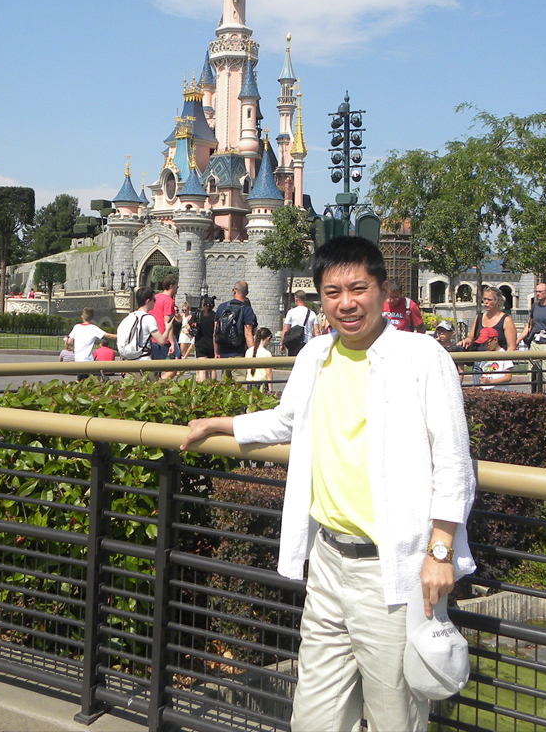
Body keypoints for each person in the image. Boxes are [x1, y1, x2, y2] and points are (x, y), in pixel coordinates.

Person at [181, 236, 475, 732]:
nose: (346, 303)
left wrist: (440, 552)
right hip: (327, 562)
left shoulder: (422, 357)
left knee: (394, 718)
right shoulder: (316, 354)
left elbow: (453, 462)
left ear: (383, 289)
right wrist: (218, 424)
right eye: (333, 293)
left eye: (358, 289)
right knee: (314, 717)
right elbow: (286, 420)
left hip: (390, 572)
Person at [214, 281, 257, 379]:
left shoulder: (222, 307)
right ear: (246, 293)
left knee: (225, 385)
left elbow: (215, 332)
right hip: (239, 354)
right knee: (240, 385)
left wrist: (216, 352)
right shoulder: (246, 310)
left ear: (234, 291)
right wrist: (253, 353)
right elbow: (248, 334)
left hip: (224, 353)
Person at [116, 288, 165, 367]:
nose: (154, 302)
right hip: (144, 362)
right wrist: (168, 328)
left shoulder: (128, 318)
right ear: (148, 301)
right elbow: (161, 341)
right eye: (154, 300)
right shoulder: (149, 318)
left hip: (128, 363)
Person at [463, 287, 517, 353]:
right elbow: (470, 338)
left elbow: (511, 347)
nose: (486, 302)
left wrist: (504, 358)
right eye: (484, 299)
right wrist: (465, 341)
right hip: (479, 357)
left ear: (498, 301)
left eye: (489, 300)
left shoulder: (506, 320)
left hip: (498, 357)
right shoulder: (479, 318)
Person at [66, 308, 115, 375]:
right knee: (88, 379)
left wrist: (67, 340)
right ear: (92, 318)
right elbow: (108, 336)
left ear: (82, 317)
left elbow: (69, 342)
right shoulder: (93, 328)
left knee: (80, 378)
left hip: (78, 359)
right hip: (88, 360)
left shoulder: (76, 327)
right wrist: (121, 336)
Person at [149, 276, 178, 361]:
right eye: (176, 286)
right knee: (169, 367)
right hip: (163, 340)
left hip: (152, 338)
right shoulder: (168, 300)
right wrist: (172, 343)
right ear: (171, 286)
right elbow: (168, 323)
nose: (177, 288)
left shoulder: (155, 297)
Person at [280, 290, 316, 357]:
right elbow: (316, 332)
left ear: (295, 298)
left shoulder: (291, 312)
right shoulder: (312, 313)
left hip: (294, 343)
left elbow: (285, 330)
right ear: (305, 298)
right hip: (308, 344)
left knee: (293, 362)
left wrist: (282, 343)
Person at [193, 295, 217, 382]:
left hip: (200, 344)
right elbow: (215, 332)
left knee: (202, 369)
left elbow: (190, 325)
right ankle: (213, 385)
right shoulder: (215, 316)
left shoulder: (198, 314)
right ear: (213, 306)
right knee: (212, 369)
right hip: (212, 345)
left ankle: (202, 386)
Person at [244, 326, 275, 391]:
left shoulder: (248, 351)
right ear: (268, 338)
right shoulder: (266, 353)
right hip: (262, 383)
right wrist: (270, 389)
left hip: (250, 382)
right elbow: (268, 373)